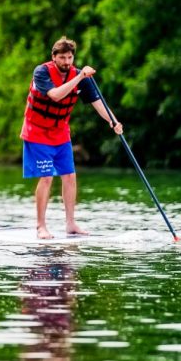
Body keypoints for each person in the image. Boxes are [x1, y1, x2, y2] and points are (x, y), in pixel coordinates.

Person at [20, 36, 122, 239]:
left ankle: (70, 224)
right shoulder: (42, 72)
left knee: (69, 176)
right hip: (37, 131)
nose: (67, 62)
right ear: (54, 57)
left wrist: (113, 121)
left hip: (60, 132)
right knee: (47, 177)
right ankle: (41, 226)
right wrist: (80, 77)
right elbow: (56, 95)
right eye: (63, 58)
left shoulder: (79, 76)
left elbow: (97, 101)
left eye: (70, 57)